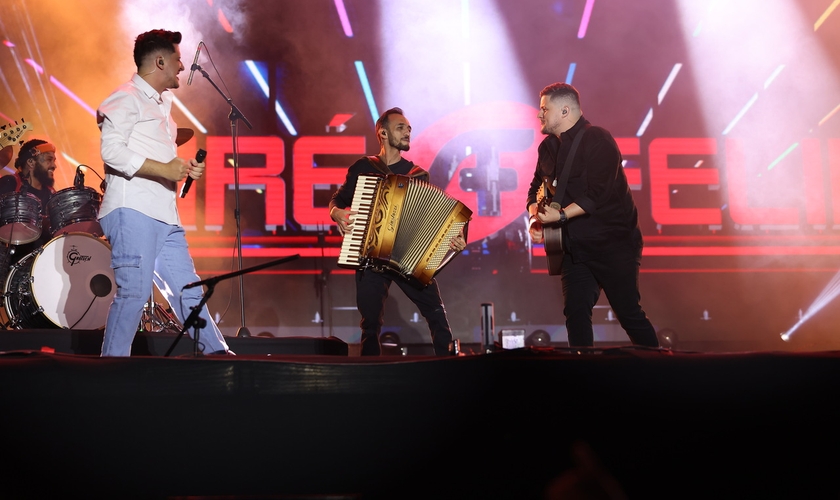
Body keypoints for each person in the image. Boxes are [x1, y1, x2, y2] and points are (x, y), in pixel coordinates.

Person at [96, 29, 232, 356]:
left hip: (165, 215)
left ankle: (219, 358)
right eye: (177, 59)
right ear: (159, 61)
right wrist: (166, 169)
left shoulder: (164, 104)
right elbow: (111, 152)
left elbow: (163, 161)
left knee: (189, 292)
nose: (182, 66)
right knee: (134, 292)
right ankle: (109, 373)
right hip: (132, 209)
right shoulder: (125, 97)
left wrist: (183, 168)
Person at [526, 83, 659, 348]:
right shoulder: (547, 148)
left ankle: (664, 374)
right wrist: (535, 219)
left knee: (629, 314)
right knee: (575, 314)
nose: (539, 115)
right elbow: (534, 189)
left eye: (544, 109)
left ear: (564, 110)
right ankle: (583, 378)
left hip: (614, 245)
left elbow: (597, 194)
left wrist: (561, 216)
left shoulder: (598, 139)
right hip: (575, 249)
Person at [329, 107, 466, 356]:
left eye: (409, 129)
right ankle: (371, 382)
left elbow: (431, 221)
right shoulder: (363, 167)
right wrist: (336, 213)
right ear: (382, 132)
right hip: (370, 257)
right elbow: (338, 201)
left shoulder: (417, 175)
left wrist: (453, 239)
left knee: (436, 314)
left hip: (407, 260)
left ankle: (448, 370)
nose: (407, 133)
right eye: (401, 127)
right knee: (370, 326)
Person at [0, 139, 59, 265]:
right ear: (31, 162)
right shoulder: (10, 183)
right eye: (49, 160)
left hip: (42, 263)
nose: (54, 165)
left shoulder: (52, 195)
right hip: (8, 260)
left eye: (54, 161)